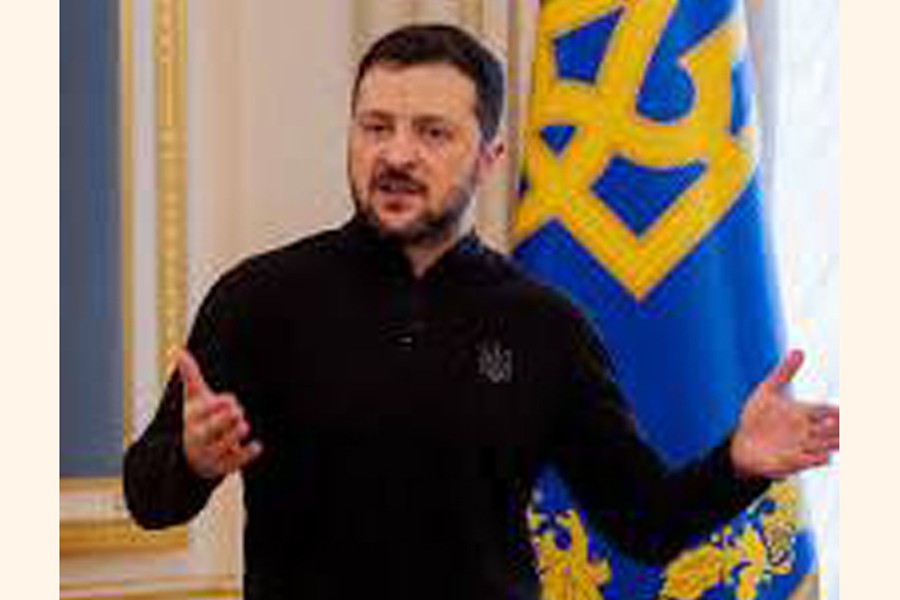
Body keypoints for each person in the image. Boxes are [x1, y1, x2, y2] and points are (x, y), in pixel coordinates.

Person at [123, 23, 839, 600]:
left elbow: (644, 522)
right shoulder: (258, 298)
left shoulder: (548, 326)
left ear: (490, 156)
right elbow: (148, 498)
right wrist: (190, 460)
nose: (396, 154)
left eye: (432, 133)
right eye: (376, 127)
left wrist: (737, 465)